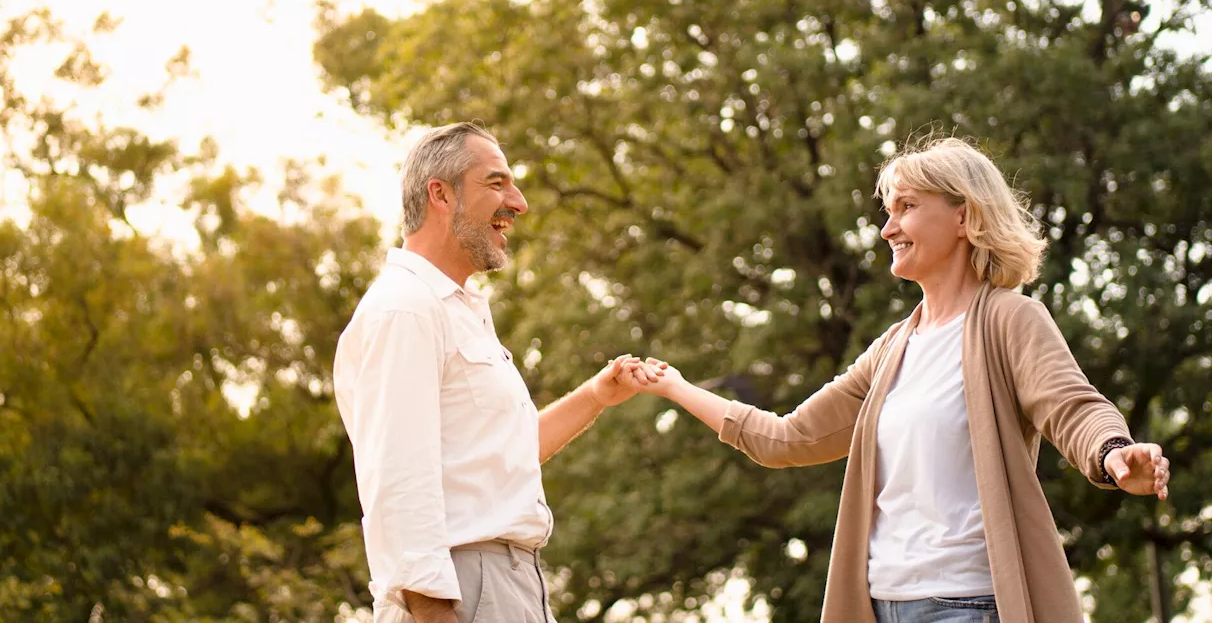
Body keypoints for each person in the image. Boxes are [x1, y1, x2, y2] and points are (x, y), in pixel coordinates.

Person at [632, 137, 1171, 623]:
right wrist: (676, 387)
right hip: (879, 603)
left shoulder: (1010, 319)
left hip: (967, 605)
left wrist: (1112, 451)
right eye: (888, 211)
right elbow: (788, 438)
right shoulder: (890, 350)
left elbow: (1072, 405)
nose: (888, 228)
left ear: (965, 216)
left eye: (907, 208)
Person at [333, 122, 654, 623]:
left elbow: (507, 457)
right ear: (440, 194)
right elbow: (398, 485)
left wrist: (596, 395)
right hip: (459, 591)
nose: (519, 202)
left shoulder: (459, 310)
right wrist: (435, 613)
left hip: (512, 586)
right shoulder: (406, 308)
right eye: (496, 183)